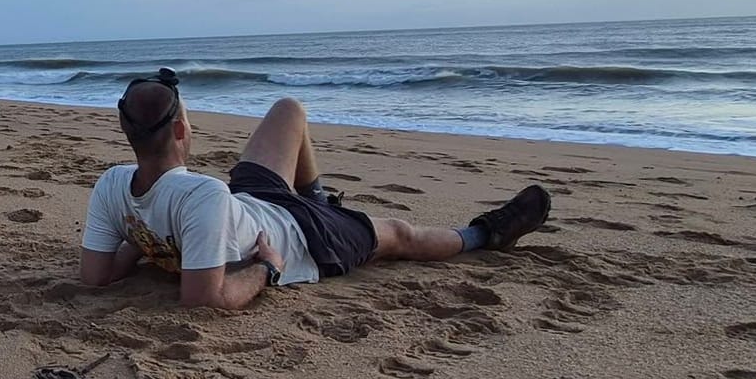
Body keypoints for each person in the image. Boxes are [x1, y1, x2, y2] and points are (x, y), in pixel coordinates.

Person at [79, 68, 549, 311]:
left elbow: (96, 276)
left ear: (124, 128)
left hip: (249, 205)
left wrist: (142, 240)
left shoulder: (114, 184)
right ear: (182, 131)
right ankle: (485, 234)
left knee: (289, 109)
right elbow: (206, 301)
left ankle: (319, 200)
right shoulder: (203, 194)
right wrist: (267, 267)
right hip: (302, 238)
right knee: (400, 234)